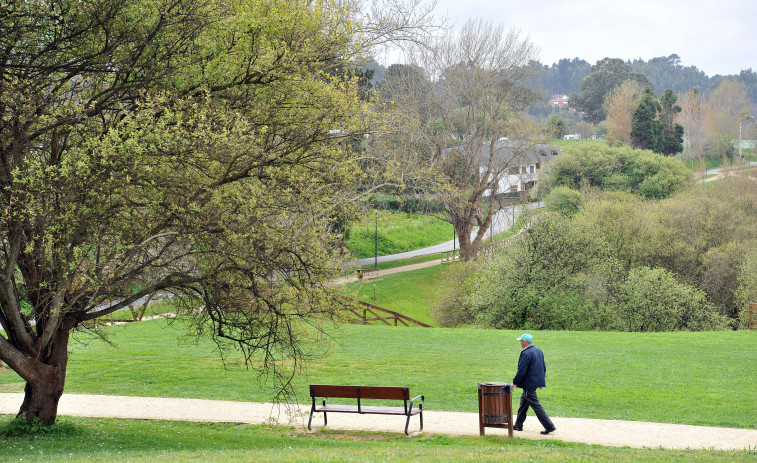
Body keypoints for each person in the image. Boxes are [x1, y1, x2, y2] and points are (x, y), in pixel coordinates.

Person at [510, 333, 556, 435]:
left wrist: (514, 383)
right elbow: (543, 368)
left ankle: (549, 426)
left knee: (536, 405)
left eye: (521, 341)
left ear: (525, 342)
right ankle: (518, 424)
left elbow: (521, 371)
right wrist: (539, 382)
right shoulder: (538, 350)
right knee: (524, 403)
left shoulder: (526, 353)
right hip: (534, 382)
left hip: (529, 384)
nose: (521, 343)